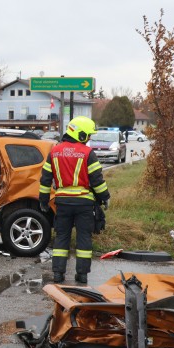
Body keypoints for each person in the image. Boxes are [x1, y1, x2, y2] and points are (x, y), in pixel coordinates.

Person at [38, 116, 110, 284]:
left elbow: (45, 180)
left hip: (62, 203)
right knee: (84, 237)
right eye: (89, 135)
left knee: (62, 237)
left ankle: (58, 274)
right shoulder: (87, 153)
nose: (90, 139)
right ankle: (82, 275)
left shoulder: (54, 151)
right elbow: (97, 180)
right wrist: (104, 197)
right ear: (81, 134)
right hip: (84, 203)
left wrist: (43, 200)